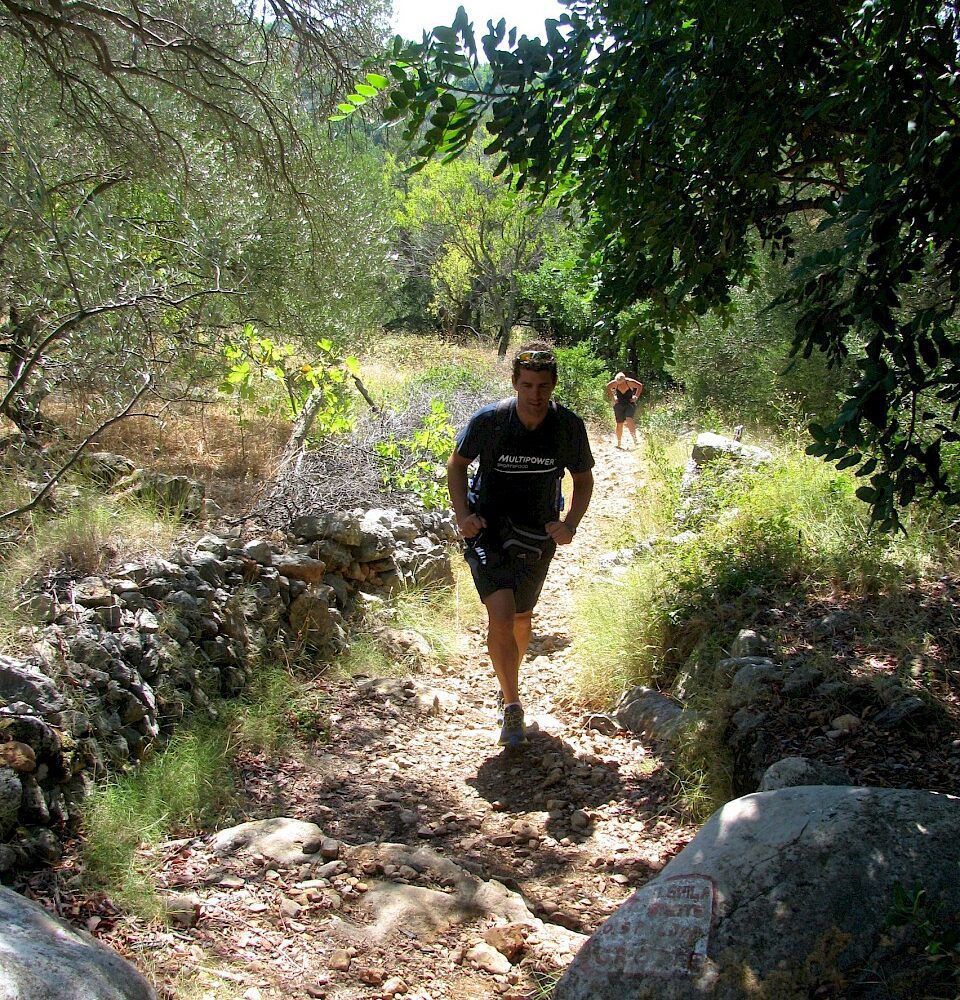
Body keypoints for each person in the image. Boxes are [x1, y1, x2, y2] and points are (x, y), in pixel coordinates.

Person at [447, 344, 595, 748]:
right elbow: (457, 465)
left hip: (536, 533)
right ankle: (512, 706)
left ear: (553, 386)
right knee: (501, 612)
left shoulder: (567, 426)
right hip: (488, 530)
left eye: (543, 386)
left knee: (522, 618)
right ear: (514, 383)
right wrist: (464, 515)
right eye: (527, 385)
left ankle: (507, 678)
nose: (535, 394)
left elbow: (583, 479)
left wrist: (570, 525)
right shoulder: (490, 421)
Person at [605, 371, 643, 449]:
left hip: (629, 403)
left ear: (624, 379)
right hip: (619, 404)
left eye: (621, 382)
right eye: (618, 383)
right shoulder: (615, 383)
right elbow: (608, 387)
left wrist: (636, 397)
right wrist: (613, 397)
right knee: (619, 424)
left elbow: (640, 386)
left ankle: (635, 440)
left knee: (629, 420)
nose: (620, 384)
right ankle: (619, 443)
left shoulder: (629, 382)